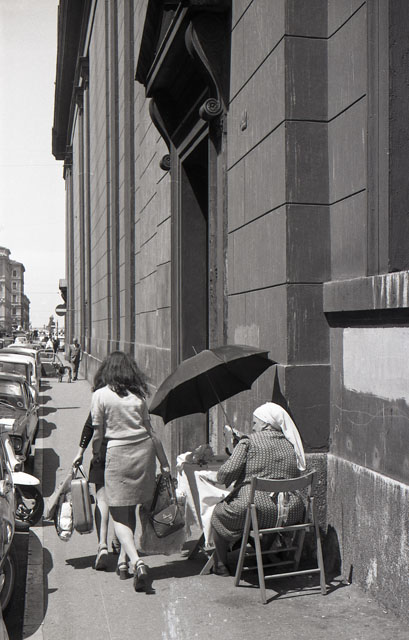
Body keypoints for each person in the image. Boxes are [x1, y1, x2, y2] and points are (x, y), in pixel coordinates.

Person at [90, 351, 170, 593]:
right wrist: (164, 463)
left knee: (117, 512)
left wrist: (96, 453)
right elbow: (151, 433)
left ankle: (137, 561)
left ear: (107, 370)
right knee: (131, 507)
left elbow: (97, 433)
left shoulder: (100, 395)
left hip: (118, 453)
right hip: (144, 453)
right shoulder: (138, 397)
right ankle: (123, 562)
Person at [210, 402, 306, 577]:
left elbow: (225, 474)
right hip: (291, 512)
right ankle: (264, 556)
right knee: (269, 511)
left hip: (254, 510)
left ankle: (221, 564)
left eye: (255, 423)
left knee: (218, 513)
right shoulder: (290, 444)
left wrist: (239, 448)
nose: (253, 427)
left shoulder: (249, 441)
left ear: (266, 423)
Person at [72, 411, 123, 572]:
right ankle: (118, 539)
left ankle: (102, 545)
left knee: (102, 499)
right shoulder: (133, 398)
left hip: (102, 452)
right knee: (121, 500)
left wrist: (80, 453)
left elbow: (89, 425)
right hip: (125, 454)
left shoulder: (101, 399)